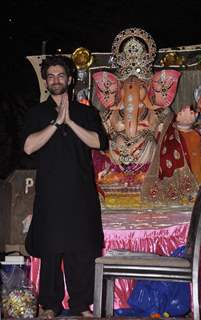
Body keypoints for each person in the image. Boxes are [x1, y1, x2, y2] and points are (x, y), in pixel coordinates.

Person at [22, 55, 109, 318]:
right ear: (46, 81)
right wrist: (56, 122)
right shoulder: (37, 113)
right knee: (51, 250)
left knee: (80, 250)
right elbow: (28, 147)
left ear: (70, 80)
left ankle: (81, 305)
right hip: (50, 195)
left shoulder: (85, 112)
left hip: (81, 194)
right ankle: (50, 305)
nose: (56, 80)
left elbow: (98, 142)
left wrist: (70, 121)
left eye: (61, 75)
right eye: (51, 76)